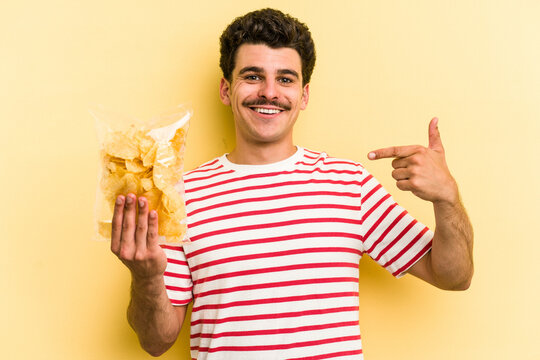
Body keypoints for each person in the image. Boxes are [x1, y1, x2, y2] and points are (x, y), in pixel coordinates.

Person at [110, 8, 474, 359]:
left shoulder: (349, 184)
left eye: (285, 79)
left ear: (304, 95)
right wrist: (146, 278)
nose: (269, 92)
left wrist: (447, 198)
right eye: (252, 76)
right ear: (225, 89)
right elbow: (156, 342)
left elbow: (454, 276)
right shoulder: (180, 196)